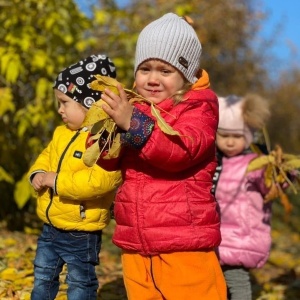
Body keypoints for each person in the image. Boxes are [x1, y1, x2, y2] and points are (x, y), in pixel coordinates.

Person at [91, 13, 226, 300]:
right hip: (136, 240)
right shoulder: (134, 108)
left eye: (165, 71)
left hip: (183, 240)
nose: (152, 79)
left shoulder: (198, 108)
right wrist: (104, 132)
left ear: (186, 76)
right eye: (145, 69)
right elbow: (107, 161)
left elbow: (181, 151)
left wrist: (132, 123)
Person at [28, 54, 122, 300]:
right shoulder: (61, 133)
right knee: (43, 275)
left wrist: (55, 181)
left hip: (81, 230)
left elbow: (100, 182)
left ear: (89, 104)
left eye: (64, 102)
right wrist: (38, 173)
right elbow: (46, 157)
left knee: (80, 282)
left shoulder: (105, 138)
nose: (60, 109)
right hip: (51, 225)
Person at [213, 94, 271, 300]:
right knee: (216, 283)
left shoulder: (255, 163)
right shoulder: (214, 162)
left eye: (236, 136)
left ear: (248, 136)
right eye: (224, 135)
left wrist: (277, 174)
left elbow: (268, 185)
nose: (229, 142)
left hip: (241, 237)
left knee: (237, 283)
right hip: (215, 236)